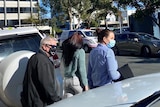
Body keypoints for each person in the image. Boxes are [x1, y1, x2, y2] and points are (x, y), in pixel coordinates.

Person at [21, 36, 61, 107]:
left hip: (31, 100)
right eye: (52, 46)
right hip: (39, 102)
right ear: (44, 47)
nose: (54, 49)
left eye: (55, 46)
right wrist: (55, 99)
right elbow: (47, 84)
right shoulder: (43, 61)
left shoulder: (35, 57)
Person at [62, 32, 89, 98]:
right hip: (75, 80)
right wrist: (85, 84)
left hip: (66, 80)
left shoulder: (66, 51)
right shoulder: (80, 51)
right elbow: (82, 69)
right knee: (81, 101)